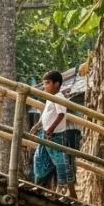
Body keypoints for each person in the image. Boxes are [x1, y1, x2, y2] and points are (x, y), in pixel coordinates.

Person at [32, 70, 77, 199]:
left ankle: (71, 192)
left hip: (55, 135)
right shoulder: (50, 98)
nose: (45, 86)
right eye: (44, 83)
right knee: (39, 159)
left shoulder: (59, 97)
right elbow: (45, 116)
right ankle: (39, 187)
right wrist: (37, 126)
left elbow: (61, 114)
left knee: (61, 164)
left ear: (56, 84)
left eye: (47, 83)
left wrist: (50, 129)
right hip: (45, 134)